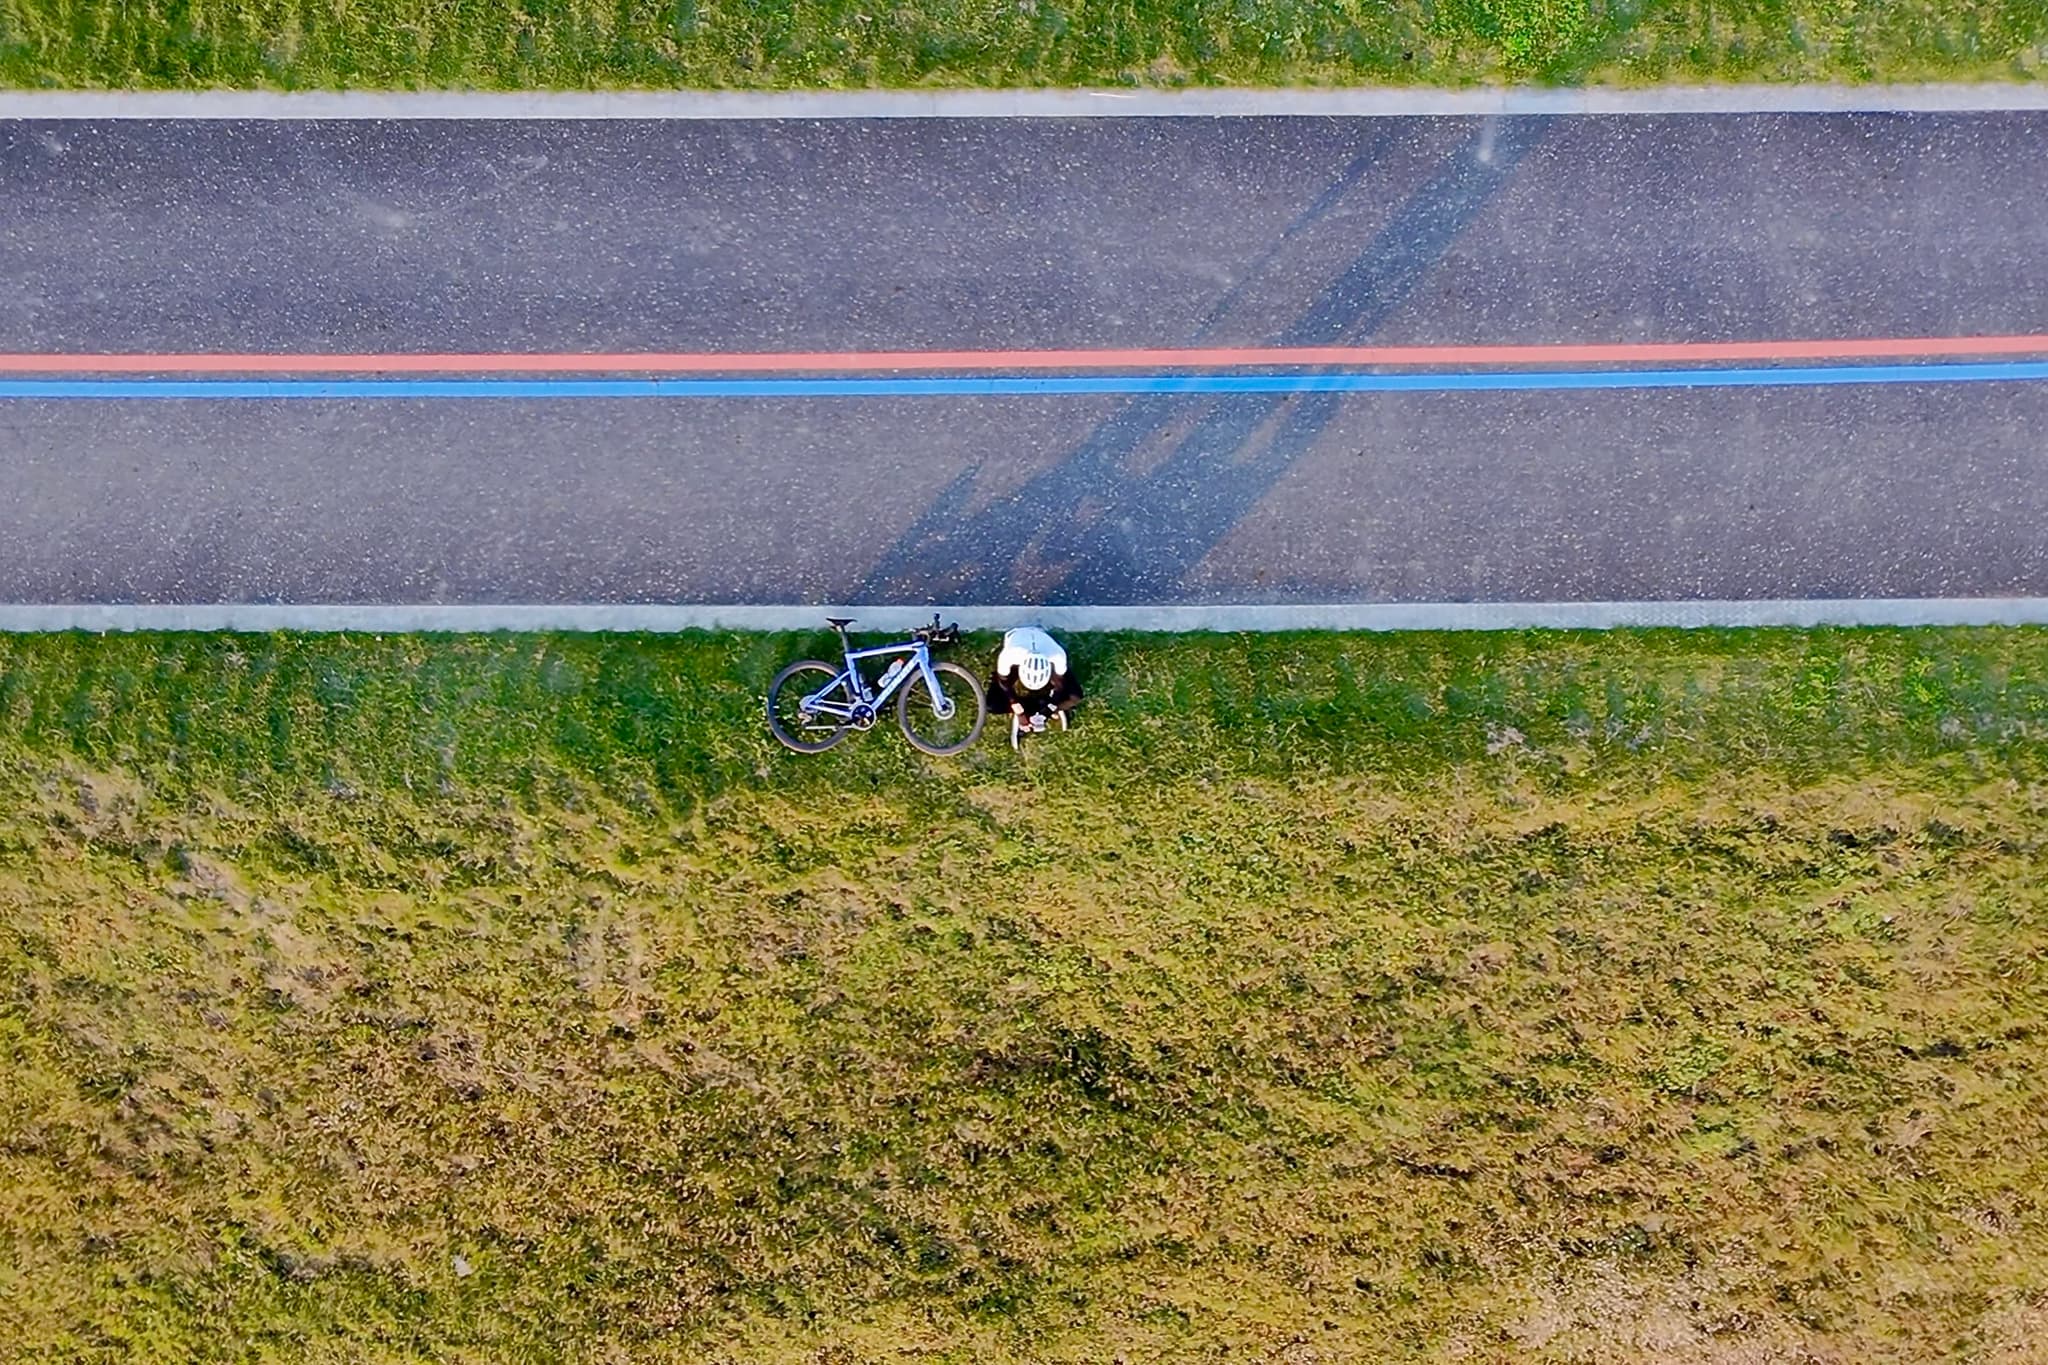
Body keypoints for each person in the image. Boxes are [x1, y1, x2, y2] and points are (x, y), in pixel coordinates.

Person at [987, 626, 1082, 749]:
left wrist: (1047, 711)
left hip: (1045, 650)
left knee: (1075, 696)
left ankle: (1043, 708)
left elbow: (1060, 686)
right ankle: (1036, 708)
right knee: (991, 704)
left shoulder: (1057, 656)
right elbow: (1003, 683)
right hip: (1017, 643)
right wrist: (1018, 709)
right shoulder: (1009, 656)